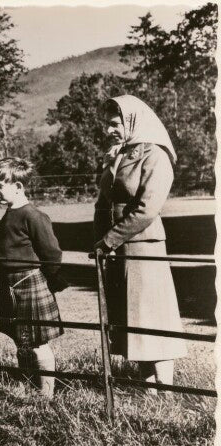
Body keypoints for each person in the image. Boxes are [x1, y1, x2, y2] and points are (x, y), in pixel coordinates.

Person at [94, 95, 187, 394]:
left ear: (133, 121)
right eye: (106, 124)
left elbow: (147, 208)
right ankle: (148, 390)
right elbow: (104, 200)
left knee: (152, 315)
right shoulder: (117, 154)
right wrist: (102, 241)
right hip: (119, 250)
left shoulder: (154, 155)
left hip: (143, 247)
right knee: (131, 318)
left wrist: (108, 239)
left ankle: (167, 390)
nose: (109, 130)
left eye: (114, 123)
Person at [0, 158, 68, 397]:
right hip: (10, 284)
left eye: (0, 185)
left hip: (29, 283)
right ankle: (25, 384)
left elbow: (52, 253)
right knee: (19, 340)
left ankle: (46, 393)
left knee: (37, 342)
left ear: (18, 187)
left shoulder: (33, 216)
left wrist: (52, 279)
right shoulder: (10, 213)